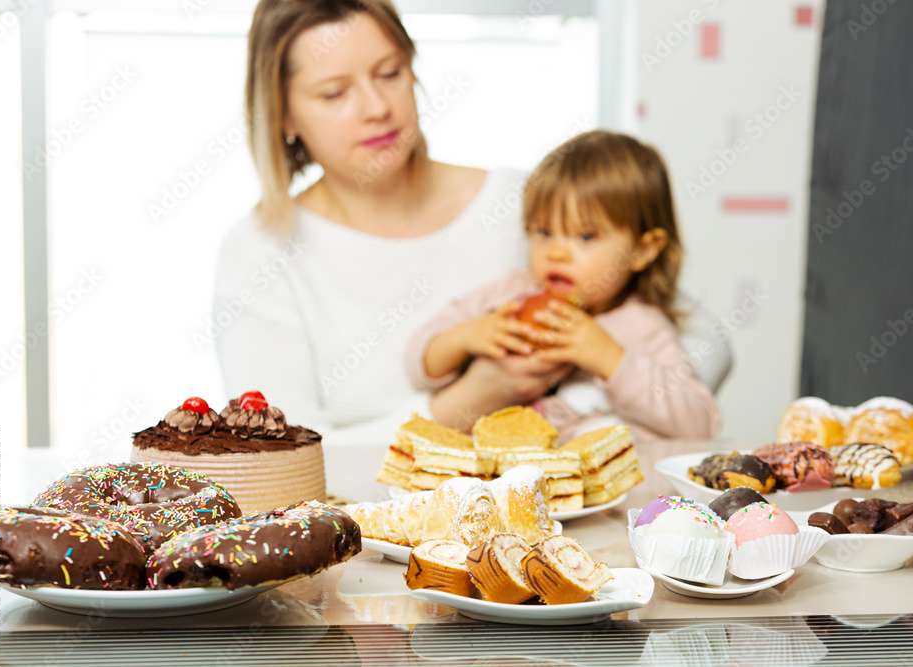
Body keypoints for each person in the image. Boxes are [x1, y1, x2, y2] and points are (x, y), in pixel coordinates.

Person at [214, 0, 562, 444]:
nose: (377, 107)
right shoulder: (260, 251)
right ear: (283, 115)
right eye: (334, 93)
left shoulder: (523, 203)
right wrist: (466, 402)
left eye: (389, 73)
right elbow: (280, 458)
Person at [404, 130, 722, 441]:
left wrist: (610, 358)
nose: (556, 252)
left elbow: (700, 425)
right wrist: (465, 337)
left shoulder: (642, 327)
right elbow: (418, 361)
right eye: (544, 232)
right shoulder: (509, 294)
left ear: (642, 250)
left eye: (585, 236)